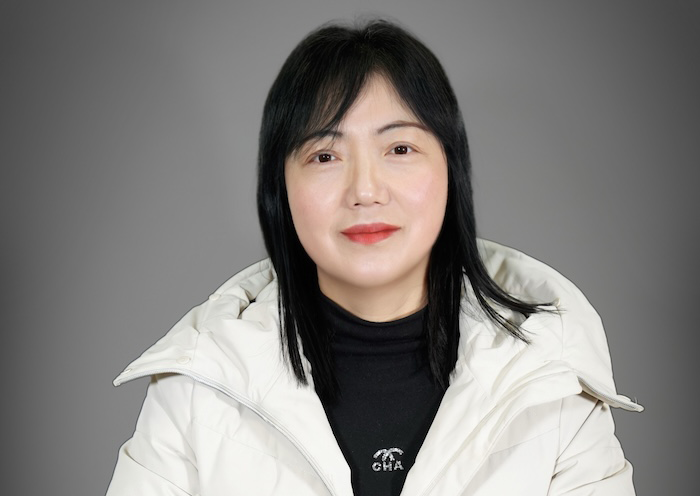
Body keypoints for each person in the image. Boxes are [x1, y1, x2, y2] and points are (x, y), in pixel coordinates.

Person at [106, 18, 643, 496]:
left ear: (451, 170)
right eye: (325, 155)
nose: (365, 190)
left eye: (399, 149)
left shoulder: (549, 380)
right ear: (280, 189)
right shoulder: (199, 386)